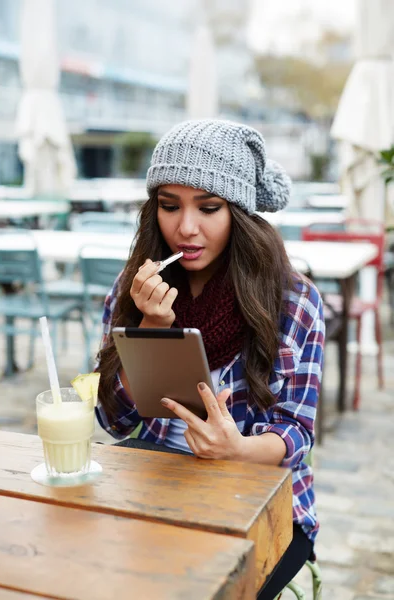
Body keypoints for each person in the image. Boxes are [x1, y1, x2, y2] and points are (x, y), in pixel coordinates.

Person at [95, 119, 325, 599]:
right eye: (168, 205)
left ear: (238, 212)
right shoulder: (135, 288)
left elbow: (297, 433)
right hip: (155, 478)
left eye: (209, 207)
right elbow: (113, 420)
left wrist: (236, 449)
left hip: (262, 497)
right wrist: (151, 329)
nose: (185, 227)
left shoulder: (292, 301)